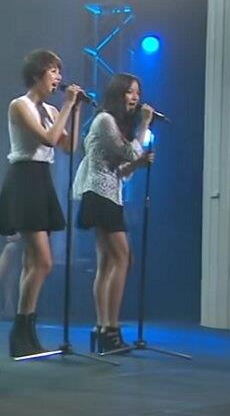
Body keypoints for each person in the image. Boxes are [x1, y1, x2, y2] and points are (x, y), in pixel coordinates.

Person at [0, 49, 82, 357]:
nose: (58, 77)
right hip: (24, 178)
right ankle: (20, 327)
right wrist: (67, 105)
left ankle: (26, 334)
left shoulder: (52, 110)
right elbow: (47, 139)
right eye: (52, 71)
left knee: (33, 262)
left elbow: (69, 146)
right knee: (43, 261)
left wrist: (74, 111)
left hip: (42, 178)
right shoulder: (20, 105)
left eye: (59, 71)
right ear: (36, 74)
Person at [73, 73, 154, 353]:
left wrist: (138, 165)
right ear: (118, 94)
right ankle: (110, 327)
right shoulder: (105, 120)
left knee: (108, 262)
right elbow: (129, 152)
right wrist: (144, 124)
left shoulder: (115, 124)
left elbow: (120, 171)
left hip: (109, 194)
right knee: (122, 258)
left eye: (138, 93)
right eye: (130, 92)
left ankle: (103, 328)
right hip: (100, 194)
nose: (136, 98)